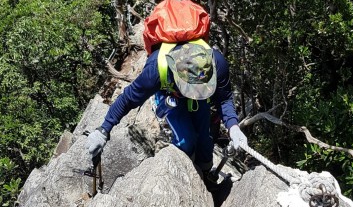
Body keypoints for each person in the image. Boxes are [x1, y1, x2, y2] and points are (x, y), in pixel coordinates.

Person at [86, 12, 247, 187]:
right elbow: (128, 98)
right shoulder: (155, 70)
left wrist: (233, 127)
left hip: (199, 97)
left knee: (205, 142)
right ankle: (182, 183)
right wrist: (103, 129)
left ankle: (205, 179)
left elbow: (224, 99)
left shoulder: (217, 63)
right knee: (186, 141)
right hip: (170, 95)